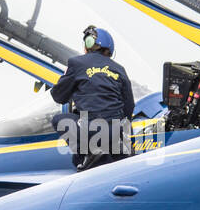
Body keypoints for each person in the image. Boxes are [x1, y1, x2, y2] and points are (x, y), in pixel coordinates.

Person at [50, 25, 136, 171]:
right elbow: (129, 106)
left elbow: (58, 96)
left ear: (88, 43)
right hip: (117, 131)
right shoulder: (119, 69)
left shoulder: (76, 63)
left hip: (91, 130)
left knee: (59, 120)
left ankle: (89, 154)